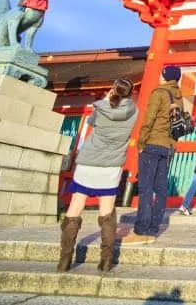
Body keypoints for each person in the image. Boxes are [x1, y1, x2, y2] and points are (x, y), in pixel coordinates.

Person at [58, 78, 137, 273]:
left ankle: (65, 260)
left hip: (88, 162)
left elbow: (92, 122)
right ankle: (106, 260)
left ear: (113, 90)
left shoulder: (101, 108)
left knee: (76, 205)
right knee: (107, 210)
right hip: (110, 165)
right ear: (129, 93)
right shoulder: (134, 111)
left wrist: (105, 100)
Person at [126, 65, 185, 244]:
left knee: (145, 188)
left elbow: (148, 119)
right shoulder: (179, 98)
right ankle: (153, 230)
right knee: (160, 189)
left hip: (152, 144)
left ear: (165, 76)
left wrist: (141, 143)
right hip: (167, 147)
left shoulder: (159, 92)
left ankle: (140, 230)